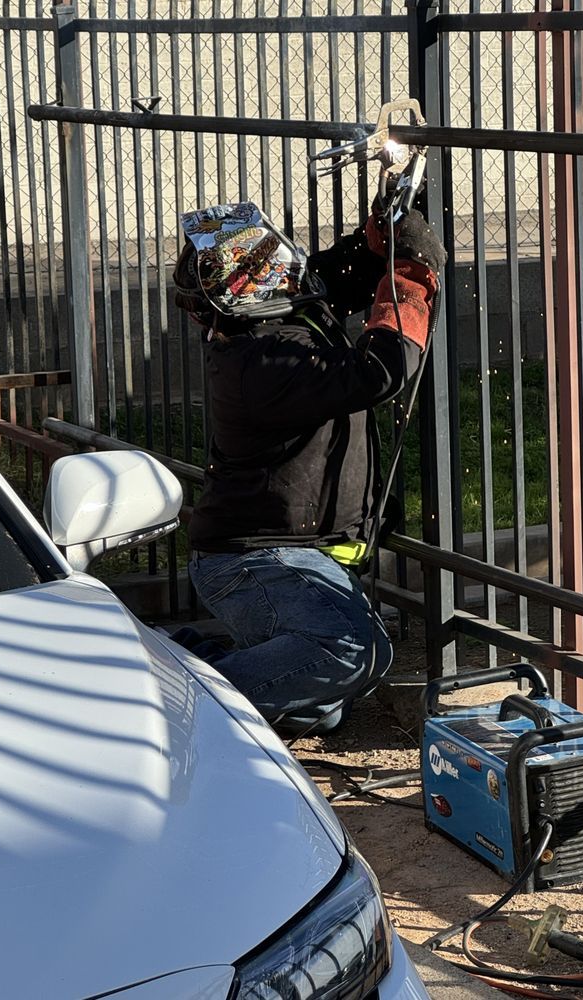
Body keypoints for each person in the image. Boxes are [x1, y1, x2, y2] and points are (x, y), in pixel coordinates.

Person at [172, 197, 446, 735]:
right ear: (245, 294)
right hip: (251, 559)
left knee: (319, 710)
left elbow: (328, 280)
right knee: (351, 652)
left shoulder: (274, 313)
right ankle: (181, 701)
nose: (291, 268)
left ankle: (186, 658)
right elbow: (381, 370)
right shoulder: (261, 362)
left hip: (279, 549)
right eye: (271, 266)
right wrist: (412, 277)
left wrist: (379, 243)